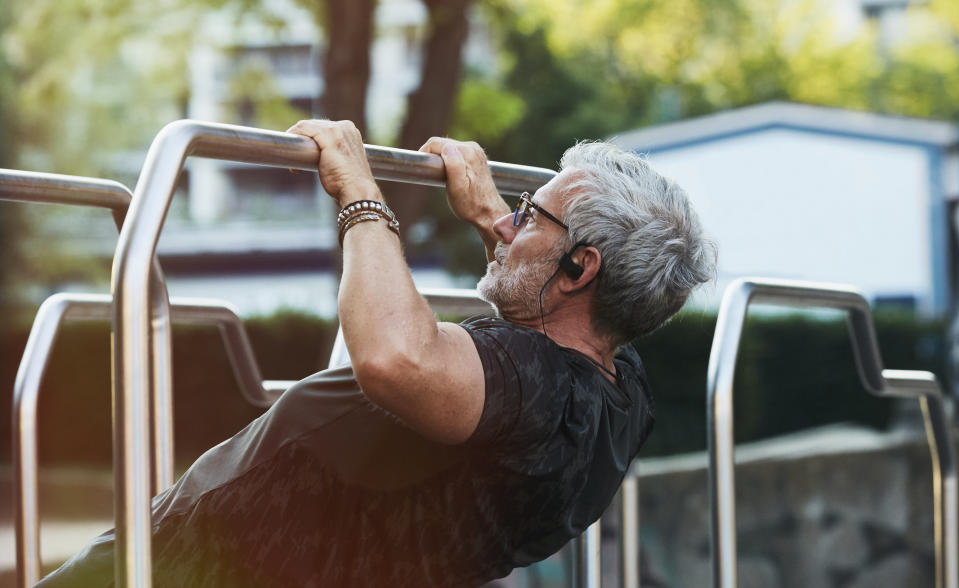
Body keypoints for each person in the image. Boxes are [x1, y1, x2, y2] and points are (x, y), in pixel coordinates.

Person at [37, 120, 716, 587]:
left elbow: (397, 358)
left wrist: (359, 192)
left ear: (580, 267)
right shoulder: (617, 389)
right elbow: (542, 334)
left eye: (530, 215)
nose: (512, 221)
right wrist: (494, 225)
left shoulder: (531, 383)